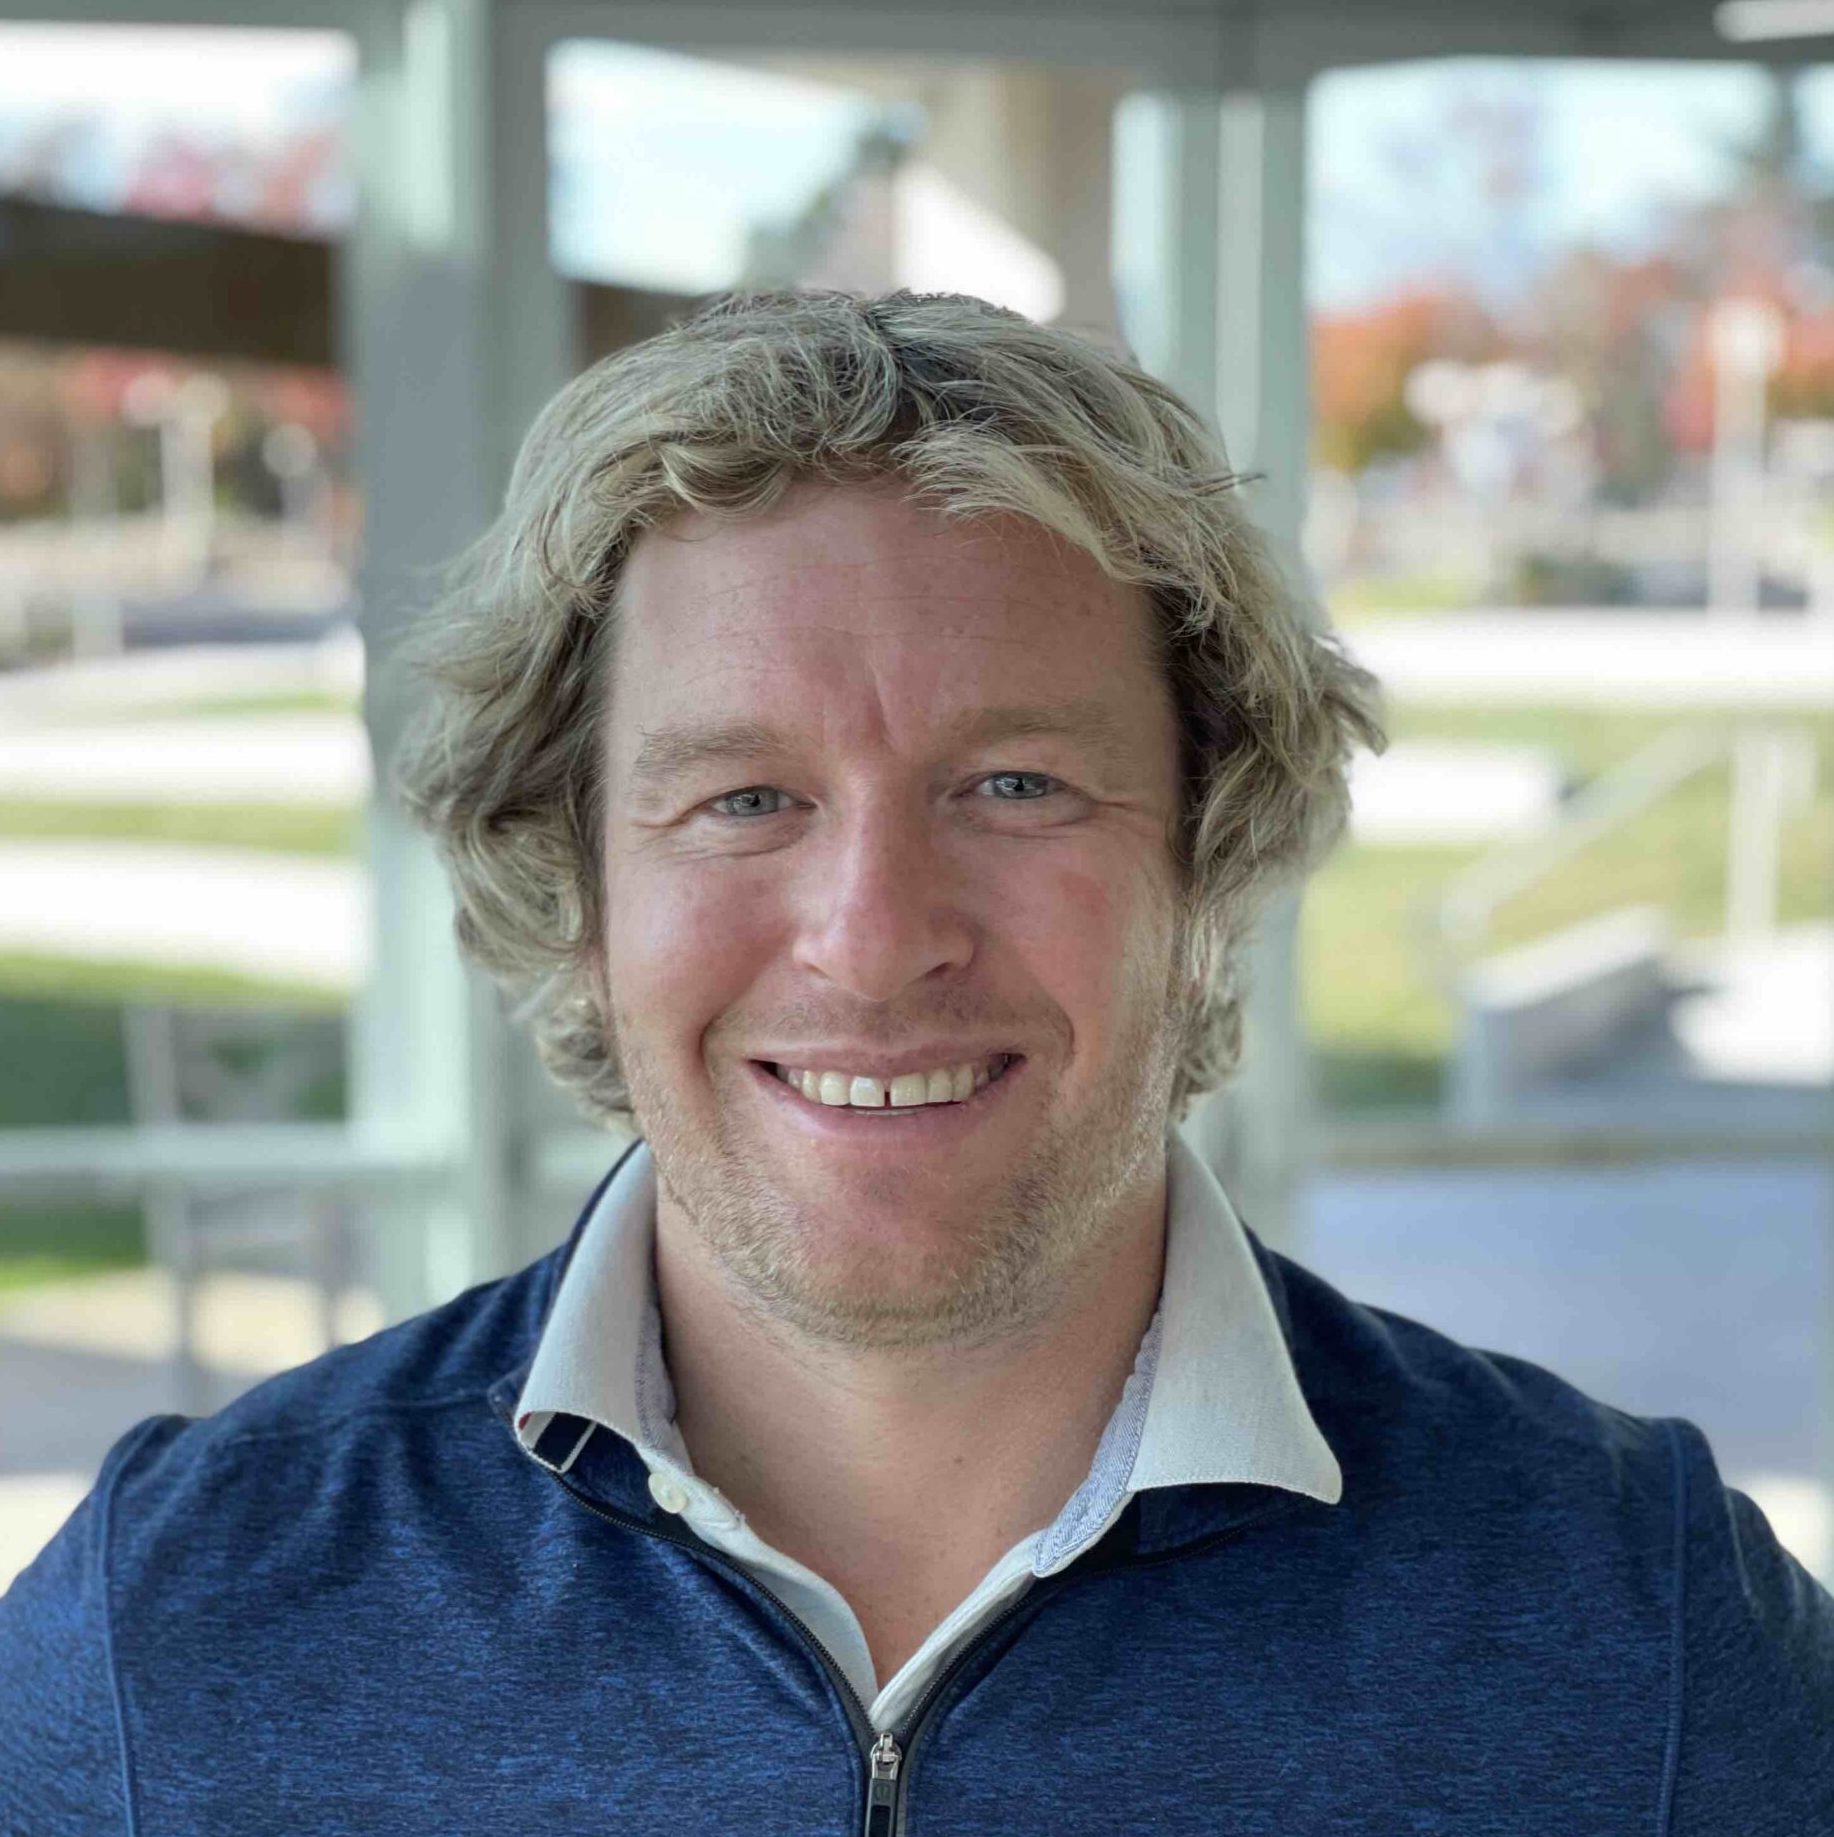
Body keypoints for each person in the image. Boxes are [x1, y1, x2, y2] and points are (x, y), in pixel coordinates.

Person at [3, 289, 1829, 1835]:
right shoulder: (176, 1629)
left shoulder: (1647, 1633)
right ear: (577, 883)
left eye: (1015, 784)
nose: (873, 936)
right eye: (744, 798)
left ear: (1208, 857)